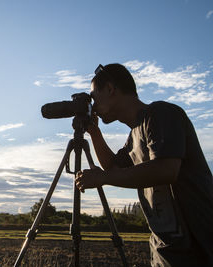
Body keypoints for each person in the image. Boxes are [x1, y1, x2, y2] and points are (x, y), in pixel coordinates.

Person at [75, 63, 213, 266]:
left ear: (111, 89)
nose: (93, 107)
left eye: (94, 98)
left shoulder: (161, 113)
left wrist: (103, 179)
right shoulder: (134, 135)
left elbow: (166, 169)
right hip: (165, 249)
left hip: (198, 247)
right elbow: (113, 168)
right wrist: (94, 133)